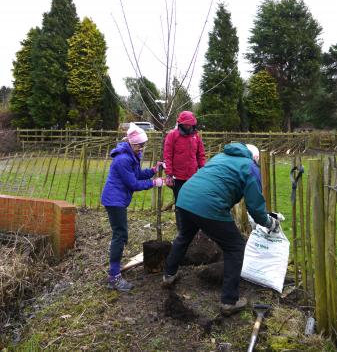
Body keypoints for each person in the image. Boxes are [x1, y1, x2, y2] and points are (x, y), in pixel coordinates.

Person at [162, 142, 280, 315]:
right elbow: (255, 207)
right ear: (255, 157)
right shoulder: (250, 167)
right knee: (235, 247)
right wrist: (269, 223)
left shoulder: (220, 157)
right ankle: (229, 301)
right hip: (209, 205)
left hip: (185, 198)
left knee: (184, 236)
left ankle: (169, 275)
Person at [101, 123, 165, 292]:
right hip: (114, 200)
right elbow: (133, 183)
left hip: (118, 199)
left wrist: (153, 170)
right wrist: (154, 183)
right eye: (139, 145)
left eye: (143, 145)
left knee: (121, 235)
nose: (141, 148)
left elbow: (136, 174)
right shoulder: (123, 159)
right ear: (131, 142)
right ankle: (114, 277)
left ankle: (114, 272)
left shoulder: (132, 155)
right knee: (120, 236)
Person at [163, 111, 206, 227]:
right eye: (186, 124)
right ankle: (181, 227)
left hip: (193, 176)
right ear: (180, 124)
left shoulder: (196, 136)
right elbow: (167, 155)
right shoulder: (172, 135)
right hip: (178, 177)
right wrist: (169, 174)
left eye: (190, 124)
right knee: (180, 203)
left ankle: (192, 226)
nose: (188, 126)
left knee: (193, 202)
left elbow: (200, 154)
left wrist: (203, 170)